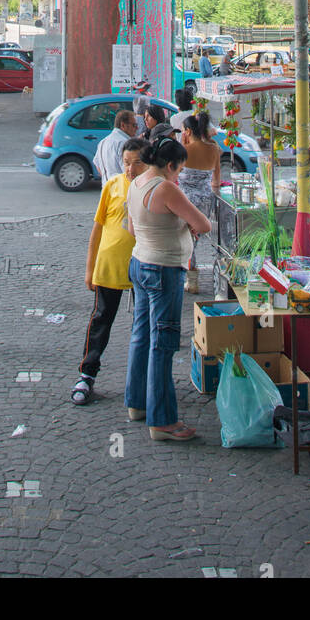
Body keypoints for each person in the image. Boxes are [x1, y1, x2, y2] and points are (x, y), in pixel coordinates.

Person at [124, 136, 212, 440]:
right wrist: (182, 226)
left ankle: (137, 404)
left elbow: (132, 228)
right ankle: (162, 421)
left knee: (141, 336)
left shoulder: (136, 183)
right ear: (171, 165)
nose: (179, 175)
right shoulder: (166, 188)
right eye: (180, 169)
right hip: (163, 270)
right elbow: (203, 224)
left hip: (139, 263)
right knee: (162, 343)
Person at [71, 138, 147, 405]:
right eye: (126, 163)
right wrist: (89, 268)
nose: (130, 169)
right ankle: (87, 374)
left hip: (144, 266)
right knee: (102, 319)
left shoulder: (154, 187)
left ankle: (143, 380)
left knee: (143, 324)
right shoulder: (113, 185)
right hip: (110, 264)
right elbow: (98, 228)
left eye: (137, 162)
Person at [176, 111, 221, 294]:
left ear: (187, 131)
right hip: (205, 201)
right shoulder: (214, 149)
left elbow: (173, 174)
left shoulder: (184, 151)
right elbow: (216, 180)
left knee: (186, 240)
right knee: (195, 240)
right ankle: (192, 279)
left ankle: (191, 279)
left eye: (182, 131)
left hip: (186, 202)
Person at [93, 109, 139, 182]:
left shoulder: (103, 141)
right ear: (123, 125)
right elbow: (129, 172)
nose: (137, 128)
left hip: (107, 187)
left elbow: (97, 164)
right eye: (134, 125)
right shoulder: (124, 143)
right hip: (122, 188)